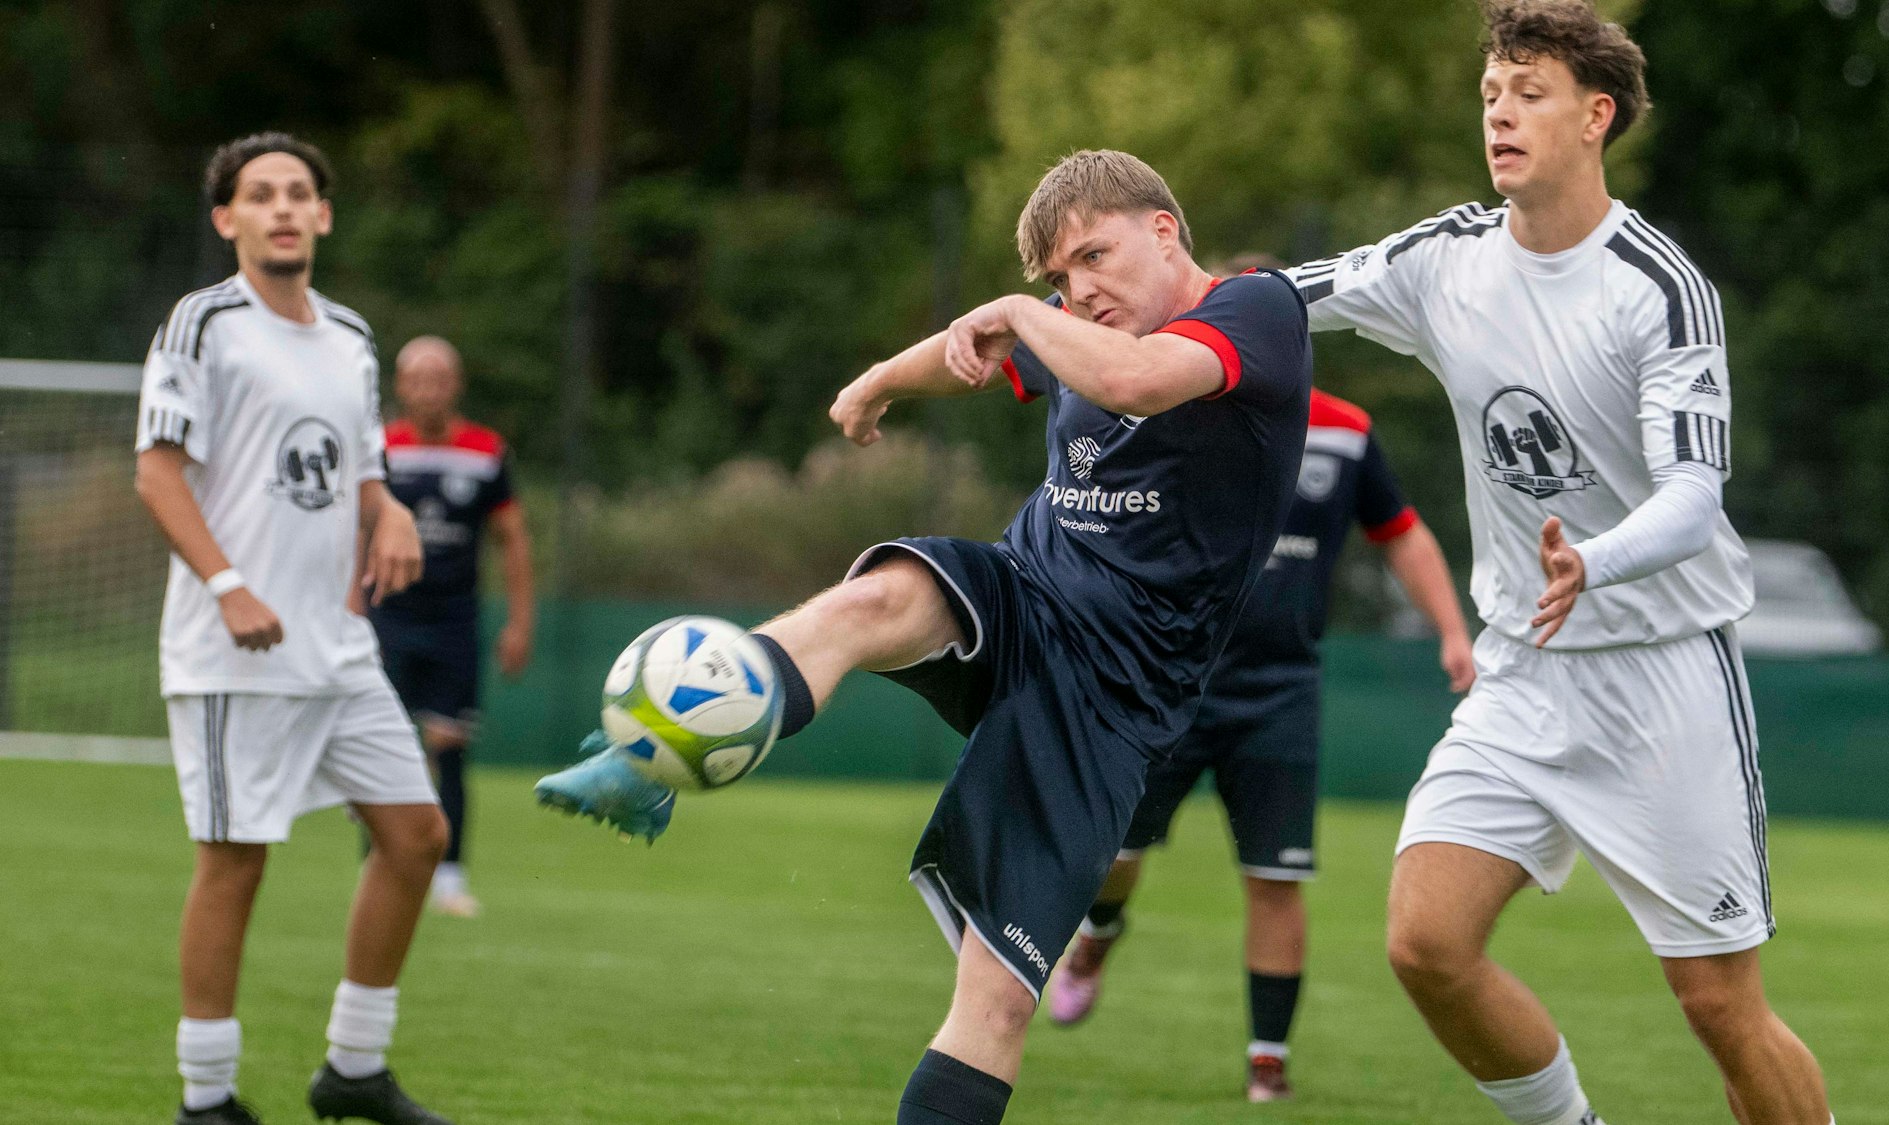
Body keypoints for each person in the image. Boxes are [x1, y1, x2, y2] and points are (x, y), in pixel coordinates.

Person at [535, 149, 1312, 1124]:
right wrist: (875, 385)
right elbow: (971, 357)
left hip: (1108, 695)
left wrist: (1020, 311)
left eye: (1093, 257)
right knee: (874, 599)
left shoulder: (1254, 312)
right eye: (1060, 279)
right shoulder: (1076, 326)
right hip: (1023, 593)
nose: (1079, 290)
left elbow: (1138, 384)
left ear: (1162, 230)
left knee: (989, 1004)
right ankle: (651, 758)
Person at [1285, 4, 1833, 1123]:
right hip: (1523, 667)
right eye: (1489, 91)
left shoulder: (1657, 286)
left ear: (1595, 117)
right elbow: (1271, 303)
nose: (1497, 110)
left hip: (1662, 672)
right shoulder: (1443, 259)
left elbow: (1691, 501)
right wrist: (1097, 313)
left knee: (1718, 1007)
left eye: (1526, 91)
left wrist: (1592, 559)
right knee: (1424, 943)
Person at [134, 132, 454, 1125]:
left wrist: (390, 509)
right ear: (226, 219)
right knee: (236, 861)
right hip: (233, 653)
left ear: (321, 215)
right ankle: (207, 1099)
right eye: (258, 195)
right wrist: (228, 583)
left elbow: (362, 475)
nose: (280, 207)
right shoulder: (203, 325)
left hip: (337, 647)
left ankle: (353, 1069)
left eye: (297, 193)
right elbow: (156, 470)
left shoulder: (352, 339)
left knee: (415, 835)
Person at [1045, 383, 1476, 1103]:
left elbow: (1400, 530)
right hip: (1167, 678)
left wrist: (1454, 630)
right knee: (1116, 852)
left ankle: (1266, 1064)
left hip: (1280, 689)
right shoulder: (1170, 409)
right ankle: (1100, 928)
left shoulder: (1344, 430)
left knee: (1277, 877)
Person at [369, 335, 535, 918]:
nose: (428, 388)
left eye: (439, 377)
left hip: (454, 623)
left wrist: (519, 621)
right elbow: (349, 530)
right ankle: (377, 868)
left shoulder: (486, 452)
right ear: (400, 385)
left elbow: (512, 539)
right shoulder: (379, 448)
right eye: (417, 378)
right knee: (383, 750)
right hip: (385, 615)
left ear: (456, 385)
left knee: (449, 747)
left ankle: (449, 879)